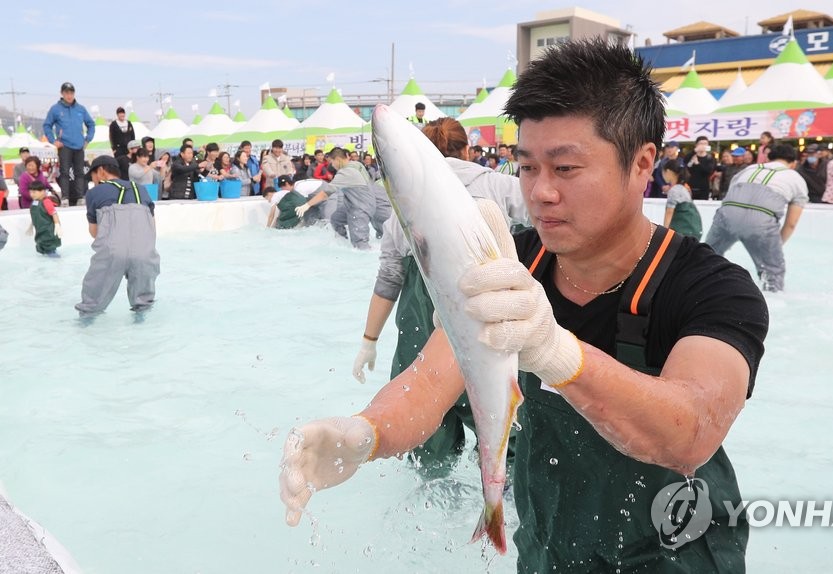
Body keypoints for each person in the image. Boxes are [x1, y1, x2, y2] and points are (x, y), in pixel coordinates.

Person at [281, 39, 769, 573]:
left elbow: (690, 432)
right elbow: (430, 382)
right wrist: (364, 433)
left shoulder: (710, 286)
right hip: (548, 546)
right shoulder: (514, 264)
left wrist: (556, 351)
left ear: (641, 164)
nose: (540, 192)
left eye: (565, 169)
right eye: (528, 167)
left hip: (675, 551)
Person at [351, 116, 530, 472]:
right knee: (504, 432)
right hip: (491, 320)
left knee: (428, 443)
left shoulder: (404, 202)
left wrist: (368, 341)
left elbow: (389, 278)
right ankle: (500, 497)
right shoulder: (499, 185)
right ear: (467, 149)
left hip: (422, 327)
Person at [705, 143, 808, 292]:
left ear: (768, 158)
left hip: (726, 216)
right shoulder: (796, 178)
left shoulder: (749, 169)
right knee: (772, 272)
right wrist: (775, 246)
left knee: (707, 258)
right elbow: (791, 223)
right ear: (793, 163)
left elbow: (730, 199)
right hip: (760, 222)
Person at [75, 155, 159, 317]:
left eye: (92, 177)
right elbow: (152, 227)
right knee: (143, 306)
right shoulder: (140, 188)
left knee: (91, 306)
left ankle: (86, 328)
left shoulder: (94, 192)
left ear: (100, 172)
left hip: (112, 251)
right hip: (145, 252)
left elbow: (95, 232)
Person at [43, 82, 95, 206]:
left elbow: (91, 124)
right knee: (64, 172)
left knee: (80, 173)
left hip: (79, 146)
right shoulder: (55, 109)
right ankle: (65, 197)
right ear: (62, 93)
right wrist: (53, 141)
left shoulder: (81, 109)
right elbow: (47, 125)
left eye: (71, 93)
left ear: (74, 93)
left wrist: (87, 139)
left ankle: (80, 197)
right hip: (64, 145)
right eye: (66, 93)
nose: (69, 95)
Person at [660, 158, 702, 239]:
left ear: (668, 171)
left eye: (663, 172)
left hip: (684, 230)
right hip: (693, 228)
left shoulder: (674, 190)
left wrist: (664, 231)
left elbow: (669, 211)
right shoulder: (683, 188)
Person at [26, 181, 62, 256]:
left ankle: (57, 263)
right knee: (42, 249)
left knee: (50, 250)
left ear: (42, 191)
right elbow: (35, 215)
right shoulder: (34, 203)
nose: (32, 194)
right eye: (30, 192)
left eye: (34, 192)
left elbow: (54, 214)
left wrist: (57, 225)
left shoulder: (46, 202)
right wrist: (31, 226)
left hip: (48, 232)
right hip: (40, 232)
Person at [683, 136, 716, 200]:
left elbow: (709, 171)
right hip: (690, 187)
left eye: (705, 144)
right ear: (696, 145)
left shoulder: (710, 158)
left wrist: (698, 164)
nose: (703, 146)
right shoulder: (691, 156)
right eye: (701, 143)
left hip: (703, 189)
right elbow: (684, 161)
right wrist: (694, 151)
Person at [109, 107, 135, 179]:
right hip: (119, 148)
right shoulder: (113, 124)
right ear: (117, 115)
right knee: (120, 163)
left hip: (129, 148)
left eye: (123, 113)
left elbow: (132, 135)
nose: (122, 115)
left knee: (129, 163)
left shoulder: (129, 123)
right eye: (120, 113)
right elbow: (111, 136)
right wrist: (114, 148)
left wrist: (133, 147)